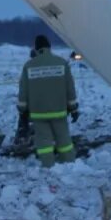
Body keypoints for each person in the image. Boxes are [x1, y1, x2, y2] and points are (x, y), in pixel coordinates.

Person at [17, 35, 79, 167]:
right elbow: (70, 88)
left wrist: (22, 110)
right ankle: (69, 163)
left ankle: (48, 165)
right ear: (49, 47)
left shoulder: (29, 66)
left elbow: (23, 91)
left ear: (36, 48)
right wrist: (73, 108)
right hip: (59, 111)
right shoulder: (62, 63)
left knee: (44, 143)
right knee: (64, 140)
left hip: (38, 114)